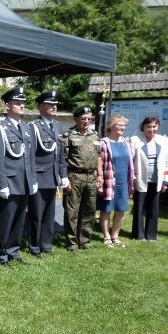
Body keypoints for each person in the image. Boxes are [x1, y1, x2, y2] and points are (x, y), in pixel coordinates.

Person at [0, 86, 37, 267]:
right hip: (10, 180)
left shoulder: (26, 128)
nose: (21, 106)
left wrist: (32, 180)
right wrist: (2, 184)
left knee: (18, 220)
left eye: (22, 103)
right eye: (17, 103)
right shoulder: (0, 128)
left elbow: (30, 157)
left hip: (24, 181)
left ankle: (13, 250)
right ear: (7, 106)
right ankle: (0, 254)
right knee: (5, 220)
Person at [28, 90, 68, 257]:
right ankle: (34, 247)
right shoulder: (33, 127)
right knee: (36, 214)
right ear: (41, 107)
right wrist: (32, 178)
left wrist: (63, 175)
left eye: (55, 104)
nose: (54, 106)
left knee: (49, 214)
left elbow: (60, 154)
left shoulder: (58, 126)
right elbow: (30, 156)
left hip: (52, 177)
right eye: (50, 104)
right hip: (39, 176)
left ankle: (47, 245)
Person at [62, 106, 102, 252]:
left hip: (91, 177)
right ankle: (72, 242)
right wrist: (65, 179)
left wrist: (100, 175)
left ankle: (84, 240)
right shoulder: (69, 136)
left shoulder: (95, 136)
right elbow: (63, 159)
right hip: (74, 176)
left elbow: (99, 156)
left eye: (89, 119)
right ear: (76, 119)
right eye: (83, 118)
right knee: (72, 210)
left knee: (89, 210)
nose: (86, 121)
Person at [129, 116, 168, 241]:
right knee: (139, 208)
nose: (151, 129)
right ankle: (138, 234)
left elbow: (167, 162)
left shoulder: (163, 141)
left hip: (157, 180)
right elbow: (131, 161)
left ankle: (151, 235)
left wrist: (166, 181)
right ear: (143, 127)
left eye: (154, 126)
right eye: (148, 126)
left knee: (153, 209)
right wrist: (132, 180)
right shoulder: (135, 140)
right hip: (140, 180)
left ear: (157, 127)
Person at [97, 114, 134, 247]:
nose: (122, 127)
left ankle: (115, 236)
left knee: (121, 210)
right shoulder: (103, 142)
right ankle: (106, 236)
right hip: (108, 181)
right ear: (110, 126)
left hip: (123, 182)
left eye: (124, 125)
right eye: (119, 124)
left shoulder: (126, 142)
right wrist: (99, 181)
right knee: (106, 209)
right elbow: (99, 162)